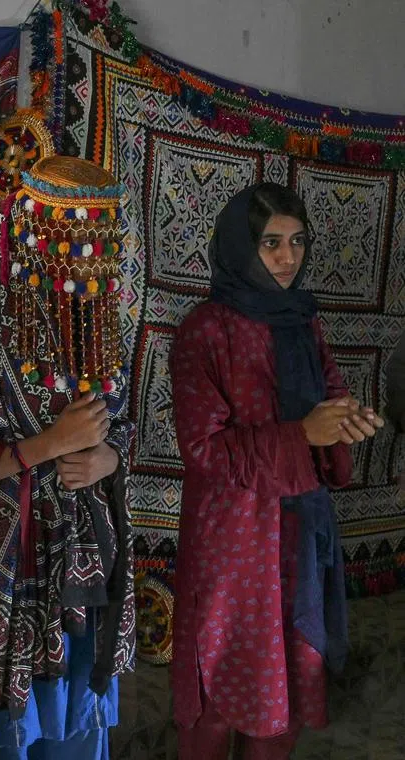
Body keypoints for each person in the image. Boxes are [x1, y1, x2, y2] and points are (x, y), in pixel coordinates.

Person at [0, 156, 136, 760]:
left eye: (96, 238)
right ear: (34, 233)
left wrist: (107, 461)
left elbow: (128, 429)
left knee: (76, 734)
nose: (82, 256)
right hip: (8, 574)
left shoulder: (101, 328)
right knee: (6, 740)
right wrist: (46, 447)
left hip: (84, 575)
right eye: (68, 237)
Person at [170, 183, 383, 759]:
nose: (288, 258)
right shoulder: (204, 331)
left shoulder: (303, 322)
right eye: (271, 244)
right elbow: (204, 450)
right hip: (233, 537)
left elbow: (329, 397)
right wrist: (302, 435)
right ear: (242, 246)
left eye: (296, 242)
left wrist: (345, 421)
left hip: (298, 532)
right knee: (220, 682)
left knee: (285, 674)